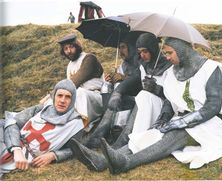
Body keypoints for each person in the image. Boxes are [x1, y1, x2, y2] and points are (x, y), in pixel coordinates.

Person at [98, 37, 222, 174]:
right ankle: (101, 161)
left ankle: (127, 163)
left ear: (183, 51)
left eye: (170, 53)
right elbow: (170, 100)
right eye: (166, 54)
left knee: (175, 133)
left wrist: (183, 122)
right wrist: (162, 120)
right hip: (180, 119)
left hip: (208, 123)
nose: (167, 58)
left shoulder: (211, 69)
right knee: (152, 134)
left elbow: (213, 106)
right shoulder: (173, 72)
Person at [67, 33, 173, 172]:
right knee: (127, 95)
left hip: (160, 108)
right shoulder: (143, 67)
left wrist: (158, 90)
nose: (142, 55)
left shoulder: (170, 67)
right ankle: (97, 137)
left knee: (144, 96)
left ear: (153, 49)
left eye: (145, 51)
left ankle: (117, 146)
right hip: (144, 104)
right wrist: (117, 92)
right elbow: (134, 83)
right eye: (140, 52)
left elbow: (174, 98)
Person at [69, 34, 142, 149]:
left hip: (135, 100)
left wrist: (124, 79)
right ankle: (105, 124)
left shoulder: (141, 62)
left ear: (132, 47)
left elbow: (143, 82)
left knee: (118, 90)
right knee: (106, 86)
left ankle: (116, 130)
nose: (120, 51)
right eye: (119, 48)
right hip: (118, 98)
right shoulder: (123, 65)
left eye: (123, 47)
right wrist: (111, 79)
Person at [0, 79, 84, 174]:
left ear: (72, 100)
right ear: (54, 96)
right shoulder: (42, 109)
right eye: (59, 95)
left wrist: (53, 155)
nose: (62, 100)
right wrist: (16, 149)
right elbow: (12, 121)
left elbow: (75, 148)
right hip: (10, 141)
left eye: (68, 97)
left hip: (26, 156)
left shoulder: (76, 124)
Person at [58, 34, 104, 126]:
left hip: (96, 97)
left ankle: (83, 126)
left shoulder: (89, 58)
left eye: (71, 47)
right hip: (79, 99)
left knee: (80, 92)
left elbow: (75, 82)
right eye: (65, 49)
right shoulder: (70, 65)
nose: (69, 51)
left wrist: (53, 94)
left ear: (77, 46)